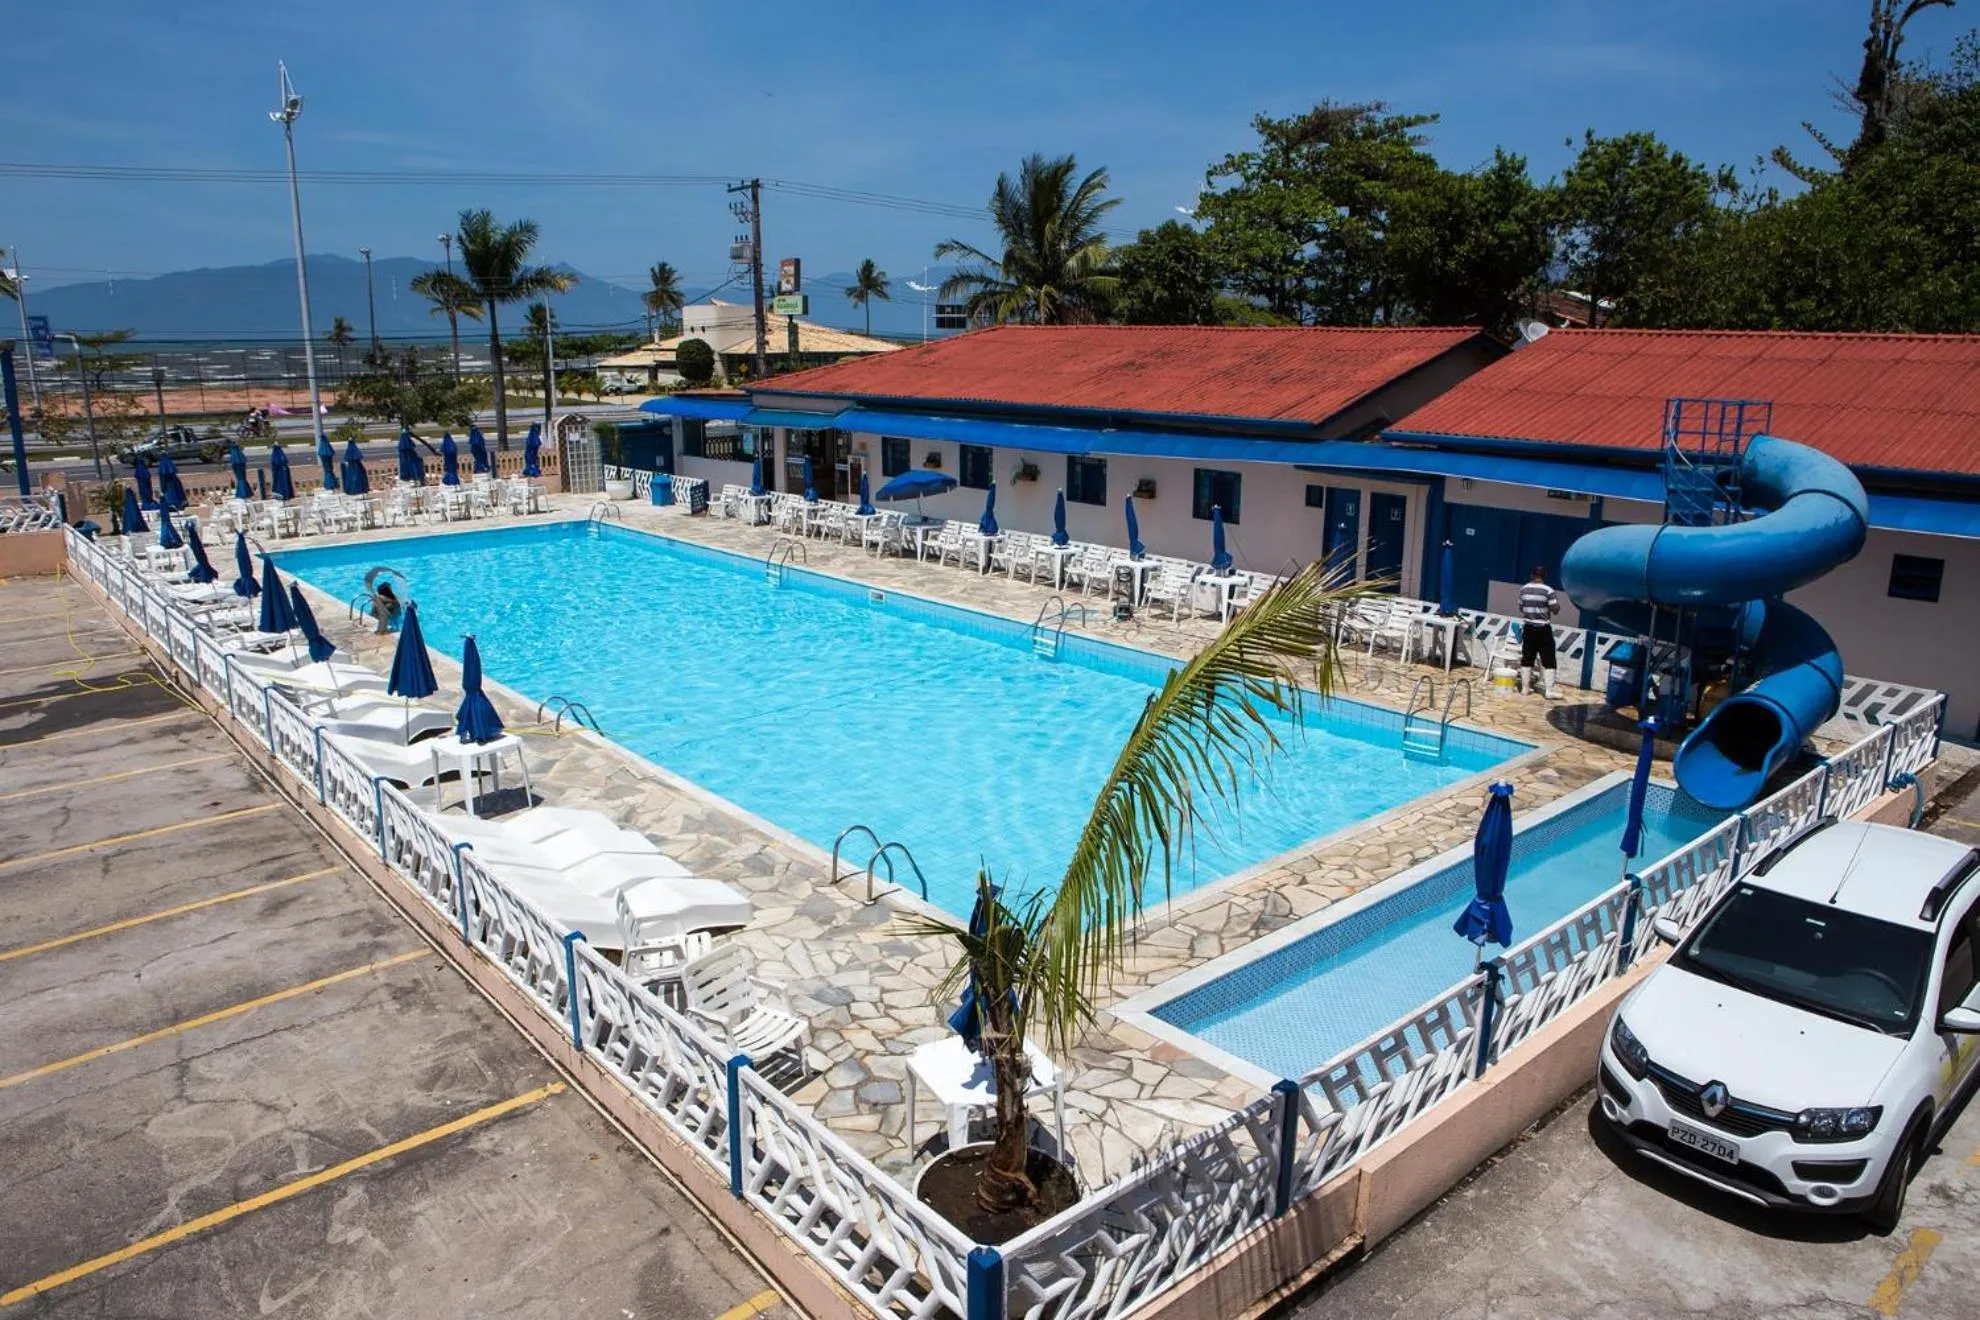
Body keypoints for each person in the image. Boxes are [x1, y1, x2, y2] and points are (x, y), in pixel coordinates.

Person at [1518, 564, 1562, 699]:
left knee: (1527, 658)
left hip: (1528, 628)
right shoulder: (1548, 590)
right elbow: (1555, 609)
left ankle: (1525, 689)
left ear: (1532, 575)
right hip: (1543, 629)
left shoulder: (1524, 589)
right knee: (1549, 659)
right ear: (1544, 577)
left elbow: (1521, 607)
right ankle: (1549, 691)